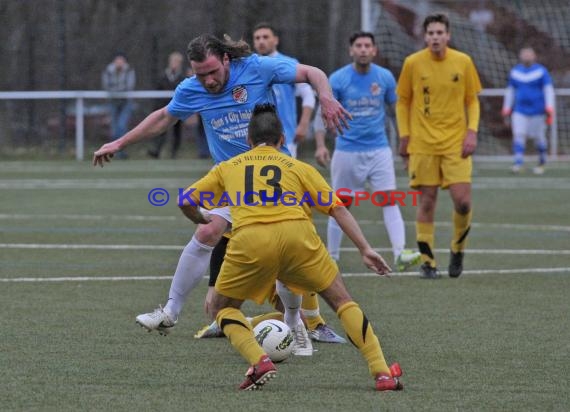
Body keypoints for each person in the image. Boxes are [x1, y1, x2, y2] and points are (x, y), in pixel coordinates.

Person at [92, 34, 350, 353]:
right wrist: (119, 142)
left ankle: (311, 324)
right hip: (234, 182)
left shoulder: (256, 68)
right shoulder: (192, 88)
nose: (208, 80)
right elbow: (162, 118)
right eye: (201, 74)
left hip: (275, 179)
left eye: (213, 72)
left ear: (226, 60)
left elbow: (313, 73)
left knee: (292, 251)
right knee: (207, 230)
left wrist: (325, 97)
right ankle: (170, 312)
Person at [178, 103, 403, 391]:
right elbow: (338, 209)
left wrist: (201, 217)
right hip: (298, 237)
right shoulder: (298, 167)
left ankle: (258, 360)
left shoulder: (227, 167)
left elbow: (185, 200)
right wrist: (365, 248)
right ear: (282, 140)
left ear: (247, 140)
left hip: (251, 241)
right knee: (342, 300)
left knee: (222, 308)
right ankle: (382, 372)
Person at [313, 31, 421, 272]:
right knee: (340, 204)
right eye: (358, 46)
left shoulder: (384, 77)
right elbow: (322, 113)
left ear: (374, 50)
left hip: (379, 149)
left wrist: (405, 144)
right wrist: (321, 144)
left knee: (389, 199)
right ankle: (332, 257)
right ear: (351, 50)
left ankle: (400, 252)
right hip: (346, 151)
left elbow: (395, 112)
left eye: (367, 46)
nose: (363, 49)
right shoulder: (338, 79)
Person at [396, 13, 482, 279]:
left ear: (448, 35)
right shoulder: (413, 63)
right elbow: (403, 102)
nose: (435, 37)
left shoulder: (463, 62)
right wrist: (405, 136)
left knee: (463, 202)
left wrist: (472, 131)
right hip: (422, 143)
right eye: (430, 33)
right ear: (425, 36)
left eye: (439, 33)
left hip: (456, 143)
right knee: (427, 201)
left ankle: (458, 248)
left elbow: (472, 100)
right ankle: (428, 261)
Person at [501, 47, 554, 175]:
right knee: (519, 135)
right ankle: (518, 163)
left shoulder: (541, 71)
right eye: (524, 54)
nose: (526, 56)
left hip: (538, 111)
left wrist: (549, 107)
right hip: (519, 110)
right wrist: (506, 108)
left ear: (534, 56)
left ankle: (542, 162)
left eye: (529, 54)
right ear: (520, 56)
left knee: (539, 138)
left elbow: (548, 89)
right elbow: (510, 91)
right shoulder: (515, 72)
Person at [148, 51, 187, 159]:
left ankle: (174, 152)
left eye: (177, 62)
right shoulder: (162, 76)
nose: (175, 64)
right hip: (164, 108)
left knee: (177, 131)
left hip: (178, 108)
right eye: (173, 61)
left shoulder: (183, 78)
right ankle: (157, 150)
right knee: (161, 129)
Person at [101, 52, 136, 159]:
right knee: (114, 128)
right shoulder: (108, 71)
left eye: (121, 60)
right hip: (113, 102)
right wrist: (117, 90)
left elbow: (129, 86)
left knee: (122, 126)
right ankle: (113, 152)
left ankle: (121, 151)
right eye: (117, 60)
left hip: (126, 102)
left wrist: (116, 90)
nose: (119, 62)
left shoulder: (129, 71)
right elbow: (106, 86)